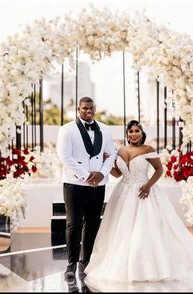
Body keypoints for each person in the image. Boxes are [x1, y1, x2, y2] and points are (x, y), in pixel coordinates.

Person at [84, 120, 193, 292]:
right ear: (126, 134)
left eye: (137, 131)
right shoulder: (120, 151)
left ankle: (150, 268)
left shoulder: (148, 150)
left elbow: (159, 170)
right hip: (123, 194)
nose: (133, 134)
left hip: (144, 191)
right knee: (122, 230)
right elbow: (118, 174)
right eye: (130, 131)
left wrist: (148, 186)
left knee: (145, 230)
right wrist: (108, 163)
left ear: (141, 133)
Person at [56, 97, 116, 282]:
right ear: (78, 109)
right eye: (84, 108)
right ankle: (71, 264)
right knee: (73, 224)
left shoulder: (104, 129)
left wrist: (102, 173)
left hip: (98, 184)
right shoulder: (67, 129)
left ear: (95, 109)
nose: (88, 111)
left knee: (92, 224)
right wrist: (85, 175)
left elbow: (111, 153)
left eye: (91, 108)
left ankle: (85, 262)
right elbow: (64, 156)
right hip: (75, 184)